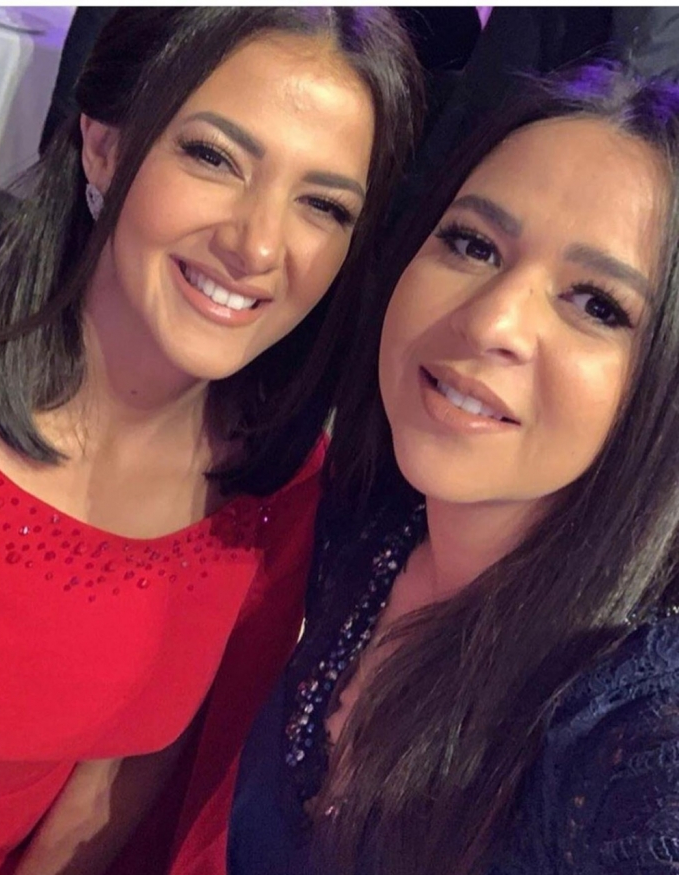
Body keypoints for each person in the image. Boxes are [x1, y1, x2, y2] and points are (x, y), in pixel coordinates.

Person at [0, 8, 423, 875]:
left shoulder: (275, 488)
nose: (257, 245)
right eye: (215, 157)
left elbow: (107, 795)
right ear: (104, 144)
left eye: (322, 204)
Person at [229, 61, 679, 875]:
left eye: (597, 304)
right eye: (474, 244)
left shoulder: (635, 728)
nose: (491, 320)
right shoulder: (366, 524)